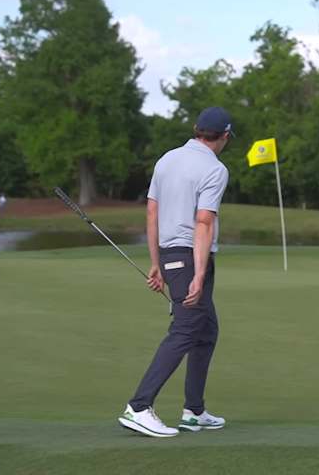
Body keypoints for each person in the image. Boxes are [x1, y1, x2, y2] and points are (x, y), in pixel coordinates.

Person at [118, 107, 232, 438]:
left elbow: (152, 212)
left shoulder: (167, 159)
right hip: (190, 256)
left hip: (171, 253)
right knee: (184, 329)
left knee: (206, 329)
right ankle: (139, 406)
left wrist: (156, 262)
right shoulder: (215, 169)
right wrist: (198, 272)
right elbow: (203, 222)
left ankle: (194, 411)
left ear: (197, 130)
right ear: (224, 136)